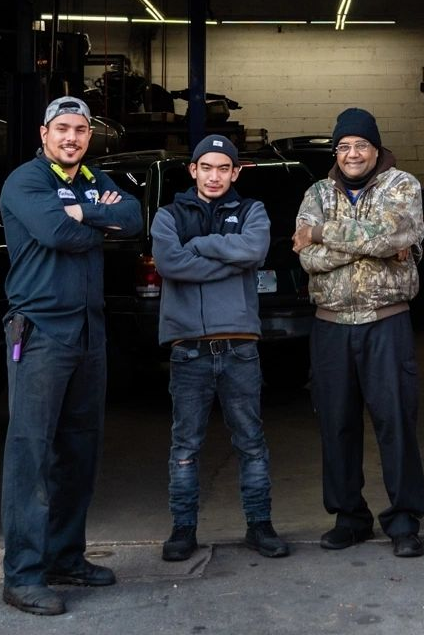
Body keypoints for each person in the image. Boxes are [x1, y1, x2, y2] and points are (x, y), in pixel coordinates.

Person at [0, 96, 142, 616]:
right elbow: (56, 232)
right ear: (44, 133)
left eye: (80, 130)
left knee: (79, 451)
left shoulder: (92, 178)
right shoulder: (26, 182)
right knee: (31, 453)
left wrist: (88, 211)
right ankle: (23, 575)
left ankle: (65, 557)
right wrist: (94, 222)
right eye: (62, 129)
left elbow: (133, 218)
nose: (72, 138)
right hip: (40, 331)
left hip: (88, 331)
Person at [292, 107, 424, 557]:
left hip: (386, 321)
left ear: (376, 149)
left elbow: (395, 236)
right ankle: (349, 517)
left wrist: (323, 235)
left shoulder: (402, 185)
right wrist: (369, 247)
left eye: (361, 145)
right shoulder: (317, 191)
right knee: (337, 424)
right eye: (344, 146)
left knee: (395, 421)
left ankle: (405, 520)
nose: (352, 154)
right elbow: (306, 258)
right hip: (331, 325)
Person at [150, 133, 290, 562]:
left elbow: (254, 249)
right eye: (205, 168)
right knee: (185, 446)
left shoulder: (253, 211)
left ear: (235, 172)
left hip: (240, 346)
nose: (214, 176)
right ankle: (183, 530)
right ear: (192, 170)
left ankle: (260, 526)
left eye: (223, 168)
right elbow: (170, 263)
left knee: (250, 441)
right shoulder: (168, 216)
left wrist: (201, 247)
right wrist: (227, 263)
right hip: (188, 348)